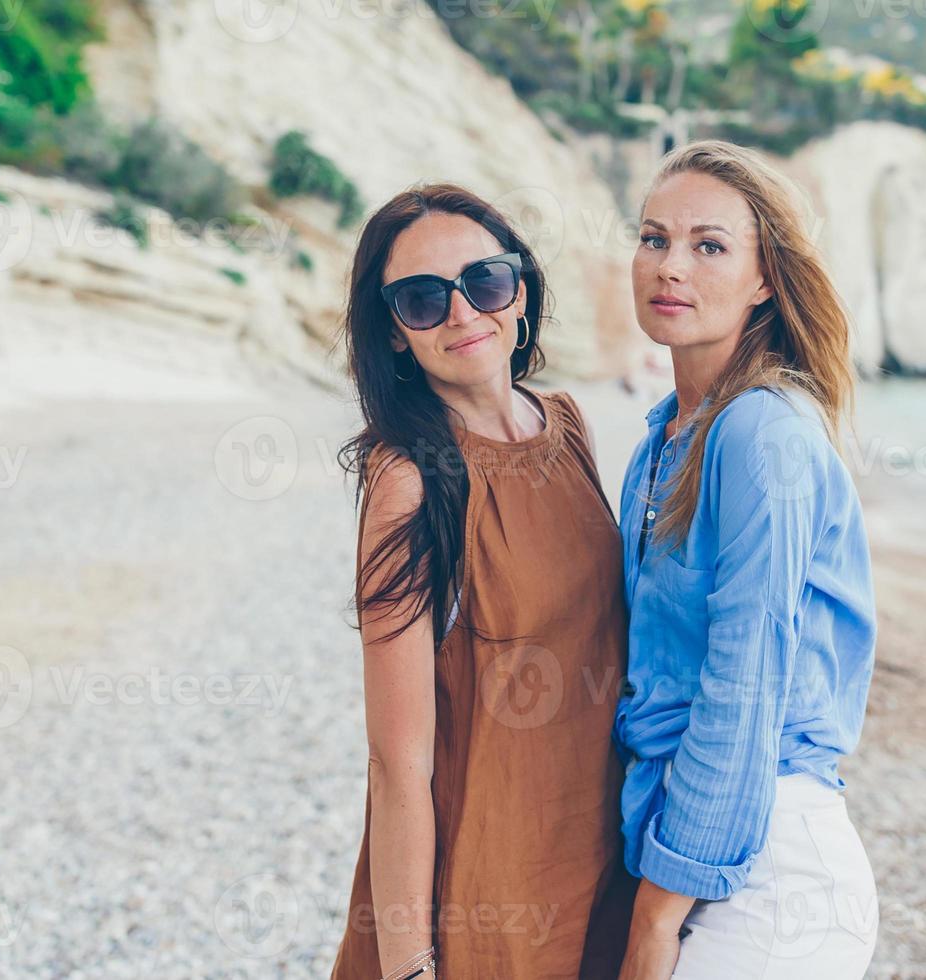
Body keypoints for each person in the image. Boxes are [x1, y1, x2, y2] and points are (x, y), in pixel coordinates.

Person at [329, 183, 634, 979]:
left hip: (602, 856)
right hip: (485, 886)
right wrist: (407, 966)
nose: (463, 314)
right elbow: (398, 761)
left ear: (520, 290)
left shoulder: (568, 425)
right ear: (394, 332)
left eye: (485, 282)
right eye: (423, 300)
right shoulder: (409, 482)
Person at [613, 141, 880, 979]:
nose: (671, 267)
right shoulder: (662, 438)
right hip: (691, 842)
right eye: (654, 238)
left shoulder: (763, 433)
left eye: (710, 245)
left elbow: (742, 690)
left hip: (769, 874)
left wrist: (656, 917)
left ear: (766, 278)